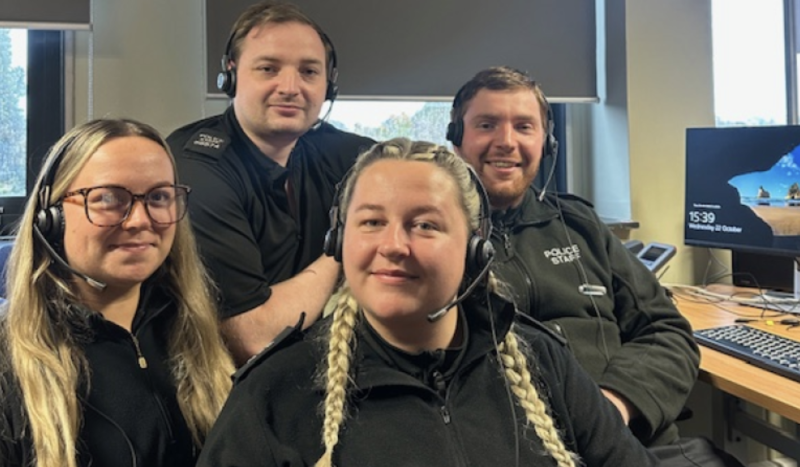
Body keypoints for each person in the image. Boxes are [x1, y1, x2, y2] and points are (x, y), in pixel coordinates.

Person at [195, 138, 657, 467]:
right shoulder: (274, 393)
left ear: (476, 249)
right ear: (338, 241)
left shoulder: (543, 361)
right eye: (372, 222)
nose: (394, 245)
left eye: (426, 225)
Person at [448, 66, 744, 466]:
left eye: (524, 127)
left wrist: (614, 407)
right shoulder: (435, 240)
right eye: (487, 124)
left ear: (546, 142)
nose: (506, 142)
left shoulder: (580, 226)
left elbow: (666, 331)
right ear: (456, 138)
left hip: (641, 447)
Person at [0, 119, 235, 467]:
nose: (140, 220)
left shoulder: (194, 334)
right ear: (52, 217)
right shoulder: (11, 361)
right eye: (108, 198)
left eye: (158, 197)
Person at [167, 1, 374, 364]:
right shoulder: (194, 169)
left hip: (316, 374)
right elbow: (255, 336)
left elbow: (422, 171)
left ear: (329, 86)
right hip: (224, 392)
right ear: (230, 76)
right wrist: (345, 243)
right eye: (268, 68)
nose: (291, 87)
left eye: (309, 72)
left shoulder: (332, 149)